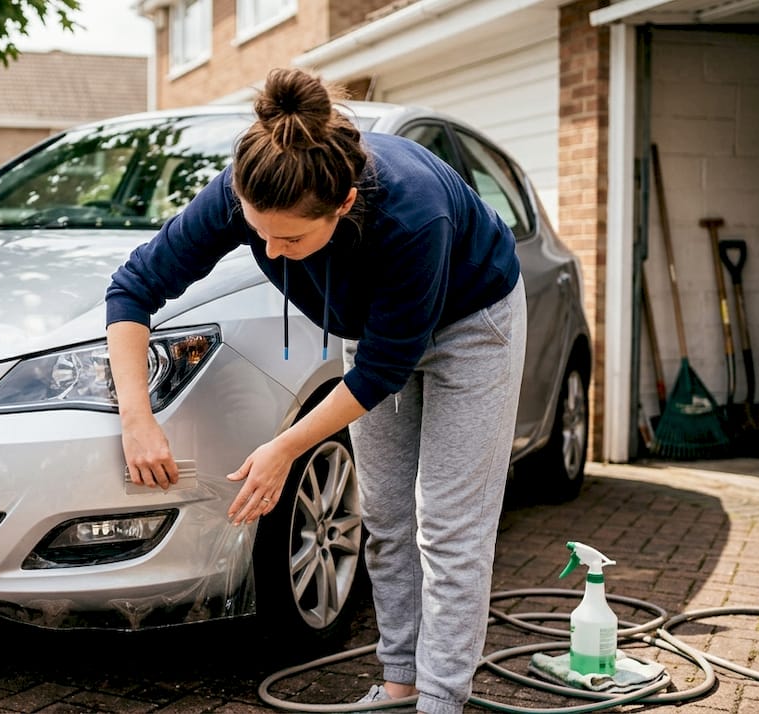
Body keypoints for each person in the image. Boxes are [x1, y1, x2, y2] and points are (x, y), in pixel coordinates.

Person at [103, 67, 526, 714]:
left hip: (473, 324)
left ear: (345, 205)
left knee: (447, 528)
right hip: (378, 333)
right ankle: (398, 685)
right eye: (257, 231)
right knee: (383, 514)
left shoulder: (413, 216)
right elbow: (132, 289)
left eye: (292, 238)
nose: (270, 250)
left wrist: (284, 448)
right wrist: (136, 416)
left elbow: (382, 373)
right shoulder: (242, 192)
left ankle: (441, 703)